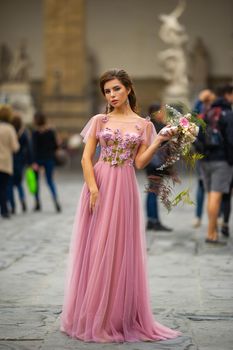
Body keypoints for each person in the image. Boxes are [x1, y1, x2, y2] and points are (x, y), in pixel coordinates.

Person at [60, 69, 181, 342]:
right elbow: (85, 159)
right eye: (107, 91)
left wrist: (160, 139)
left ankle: (116, 316)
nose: (112, 95)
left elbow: (139, 163)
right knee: (96, 247)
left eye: (116, 89)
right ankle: (93, 314)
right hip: (99, 184)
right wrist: (93, 188)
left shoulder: (143, 125)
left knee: (117, 249)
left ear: (127, 88)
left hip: (124, 187)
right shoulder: (99, 119)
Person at [197, 85, 233, 243]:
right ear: (228, 95)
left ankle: (212, 233)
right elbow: (231, 140)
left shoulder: (206, 113)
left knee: (210, 195)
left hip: (205, 160)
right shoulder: (228, 114)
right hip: (222, 160)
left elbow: (198, 136)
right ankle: (211, 234)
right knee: (216, 197)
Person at [145, 103, 172, 231]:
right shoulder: (159, 127)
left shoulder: (148, 126)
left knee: (152, 191)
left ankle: (151, 220)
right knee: (153, 191)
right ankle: (154, 221)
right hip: (156, 164)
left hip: (149, 163)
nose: (163, 114)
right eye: (162, 112)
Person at [192, 89, 216, 228]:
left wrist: (199, 101)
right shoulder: (216, 111)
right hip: (214, 154)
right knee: (214, 188)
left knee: (202, 186)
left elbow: (191, 119)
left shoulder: (201, 111)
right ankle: (215, 217)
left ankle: (198, 217)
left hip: (203, 154)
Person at [32, 112, 61, 212]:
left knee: (35, 182)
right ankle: (55, 201)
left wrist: (34, 162)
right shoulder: (51, 131)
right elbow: (56, 146)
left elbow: (33, 149)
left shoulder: (35, 133)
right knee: (50, 181)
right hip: (49, 159)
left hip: (38, 160)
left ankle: (37, 203)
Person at [7, 114, 32, 214]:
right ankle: (22, 200)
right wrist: (30, 161)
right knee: (19, 183)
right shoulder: (24, 132)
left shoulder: (10, 131)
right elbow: (29, 148)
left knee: (10, 184)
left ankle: (12, 206)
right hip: (20, 161)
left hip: (10, 159)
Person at [0, 105, 19, 218]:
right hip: (5, 163)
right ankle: (5, 210)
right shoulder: (10, 129)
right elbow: (15, 147)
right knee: (4, 187)